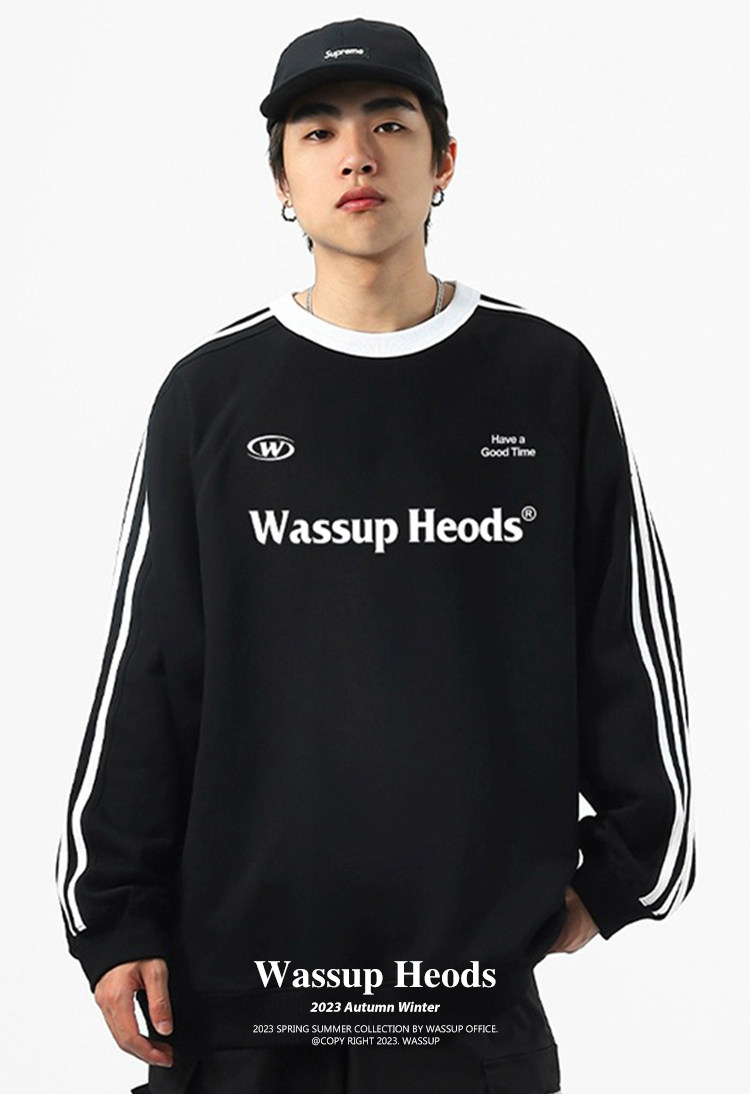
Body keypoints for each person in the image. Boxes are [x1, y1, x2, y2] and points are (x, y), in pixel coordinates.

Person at [54, 17, 695, 1094]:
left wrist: (623, 872)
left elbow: (624, 640)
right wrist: (114, 919)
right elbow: (148, 670)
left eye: (390, 125)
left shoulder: (546, 379)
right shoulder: (211, 395)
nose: (356, 155)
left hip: (467, 1008)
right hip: (240, 998)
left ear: (444, 161)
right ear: (282, 179)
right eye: (318, 132)